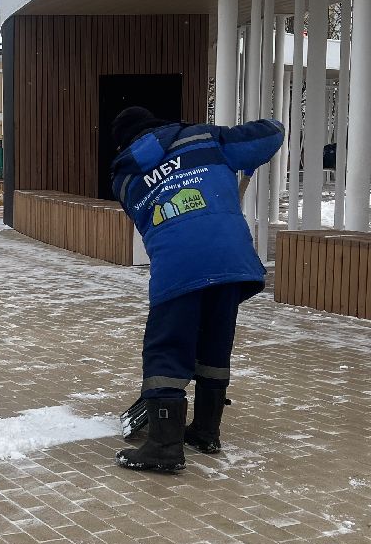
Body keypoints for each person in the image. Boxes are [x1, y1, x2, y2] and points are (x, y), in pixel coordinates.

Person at [108, 105, 285, 473]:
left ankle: (164, 446)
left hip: (179, 265)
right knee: (213, 342)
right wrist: (237, 155)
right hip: (230, 260)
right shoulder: (205, 139)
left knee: (167, 349)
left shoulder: (124, 177)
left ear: (123, 143)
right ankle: (206, 429)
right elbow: (270, 133)